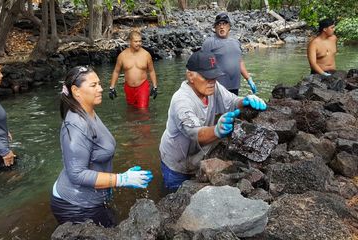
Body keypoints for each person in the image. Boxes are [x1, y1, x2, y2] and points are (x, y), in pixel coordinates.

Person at [51, 66, 153, 227]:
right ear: (76, 91)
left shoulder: (88, 111)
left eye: (99, 83)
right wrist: (121, 179)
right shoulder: (76, 125)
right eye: (93, 85)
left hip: (92, 197)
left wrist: (109, 183)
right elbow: (77, 174)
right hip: (74, 204)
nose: (101, 89)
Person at [159, 50, 267, 190]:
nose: (212, 81)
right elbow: (197, 134)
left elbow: (232, 102)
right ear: (190, 76)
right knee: (173, 196)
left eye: (214, 77)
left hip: (198, 156)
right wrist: (217, 130)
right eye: (207, 77)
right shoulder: (181, 101)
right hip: (176, 162)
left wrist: (245, 101)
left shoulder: (213, 87)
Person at [201, 12, 257, 95]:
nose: (221, 26)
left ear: (229, 26)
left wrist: (249, 79)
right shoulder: (209, 43)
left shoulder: (236, 42)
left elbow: (240, 62)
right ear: (215, 28)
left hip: (234, 87)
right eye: (218, 24)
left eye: (224, 23)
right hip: (217, 89)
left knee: (233, 106)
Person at [108, 31, 158, 108]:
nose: (138, 43)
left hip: (142, 86)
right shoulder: (122, 56)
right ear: (130, 41)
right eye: (136, 41)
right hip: (128, 87)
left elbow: (151, 71)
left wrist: (155, 86)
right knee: (131, 109)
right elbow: (116, 71)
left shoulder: (146, 55)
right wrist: (112, 87)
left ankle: (145, 120)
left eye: (140, 41)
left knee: (143, 109)